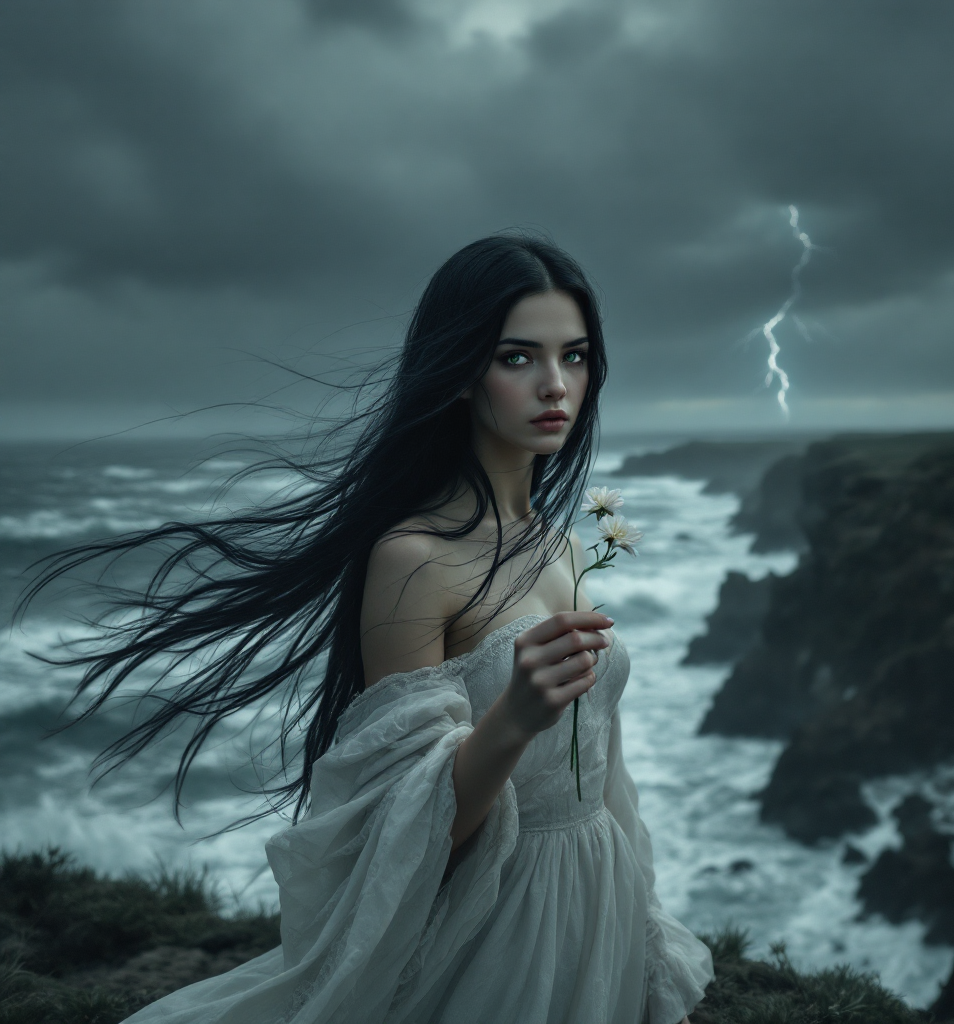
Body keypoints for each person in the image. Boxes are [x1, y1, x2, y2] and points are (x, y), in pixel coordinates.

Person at [26, 234, 713, 1022]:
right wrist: (512, 720)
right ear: (459, 371)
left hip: (599, 896)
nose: (557, 385)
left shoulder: (564, 545)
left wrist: (637, 915)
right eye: (518, 358)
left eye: (577, 356)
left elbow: (604, 770)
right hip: (499, 926)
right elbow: (410, 832)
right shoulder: (414, 559)